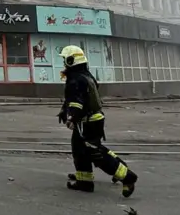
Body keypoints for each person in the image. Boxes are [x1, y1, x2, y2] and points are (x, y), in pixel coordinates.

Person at [57, 44, 138, 197]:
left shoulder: (76, 79)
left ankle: (128, 177)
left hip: (88, 121)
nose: (63, 63)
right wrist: (64, 111)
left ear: (70, 60)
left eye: (64, 59)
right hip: (91, 119)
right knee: (80, 149)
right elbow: (78, 97)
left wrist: (71, 117)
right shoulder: (85, 75)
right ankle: (84, 181)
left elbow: (77, 102)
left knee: (95, 152)